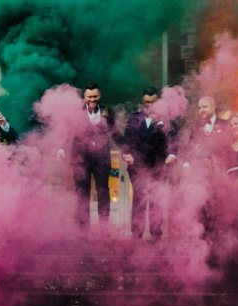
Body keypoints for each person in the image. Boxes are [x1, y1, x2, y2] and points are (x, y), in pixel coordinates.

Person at [58, 83, 116, 234]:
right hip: (81, 158)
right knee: (82, 194)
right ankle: (83, 231)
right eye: (89, 97)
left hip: (102, 158)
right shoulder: (76, 112)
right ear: (84, 97)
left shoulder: (107, 111)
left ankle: (104, 230)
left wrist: (126, 150)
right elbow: (68, 131)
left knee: (103, 192)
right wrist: (61, 148)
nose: (92, 99)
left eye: (95, 96)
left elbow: (114, 133)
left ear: (100, 95)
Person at [121, 87, 178, 240]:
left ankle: (156, 232)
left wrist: (172, 154)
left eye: (153, 102)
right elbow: (126, 141)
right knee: (139, 199)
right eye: (147, 102)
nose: (150, 105)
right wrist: (126, 155)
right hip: (138, 166)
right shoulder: (134, 118)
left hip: (158, 166)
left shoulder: (166, 120)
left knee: (156, 200)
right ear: (143, 101)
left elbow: (172, 140)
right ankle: (136, 232)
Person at [183, 96, 232, 173]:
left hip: (221, 171)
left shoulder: (225, 124)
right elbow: (190, 147)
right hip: (199, 172)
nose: (201, 110)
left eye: (204, 107)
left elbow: (229, 148)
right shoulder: (196, 127)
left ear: (213, 107)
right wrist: (186, 164)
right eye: (199, 108)